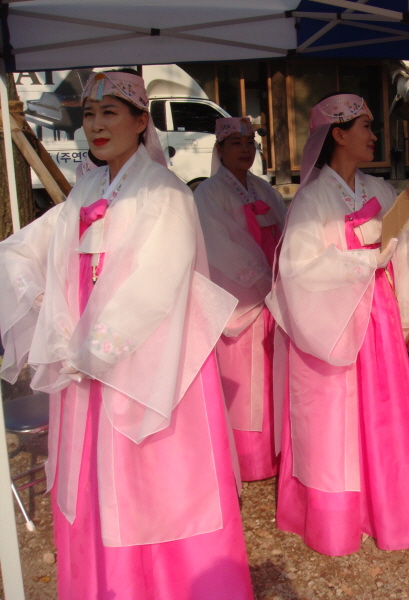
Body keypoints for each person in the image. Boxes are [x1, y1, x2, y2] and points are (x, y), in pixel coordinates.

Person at [0, 69, 253, 600]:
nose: (95, 125)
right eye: (89, 114)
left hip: (148, 363)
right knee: (98, 480)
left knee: (158, 484)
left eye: (109, 113)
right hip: (86, 364)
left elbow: (157, 283)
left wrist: (91, 348)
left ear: (142, 122)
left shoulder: (166, 192)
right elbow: (30, 252)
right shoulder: (86, 190)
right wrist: (48, 310)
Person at [265, 93, 409, 556]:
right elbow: (296, 268)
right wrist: (363, 258)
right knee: (333, 417)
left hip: (379, 316)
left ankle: (392, 508)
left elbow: (407, 253)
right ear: (338, 135)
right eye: (365, 126)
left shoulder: (383, 191)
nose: (374, 135)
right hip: (334, 322)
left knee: (383, 410)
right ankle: (337, 516)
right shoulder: (311, 198)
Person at [194, 117, 286, 481]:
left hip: (273, 291)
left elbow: (286, 232)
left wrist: (282, 276)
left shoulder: (265, 190)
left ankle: (276, 452)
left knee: (273, 372)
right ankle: (246, 458)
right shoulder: (207, 194)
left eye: (250, 143)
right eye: (236, 143)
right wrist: (260, 279)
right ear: (220, 150)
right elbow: (216, 246)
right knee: (243, 378)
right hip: (241, 297)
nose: (245, 150)